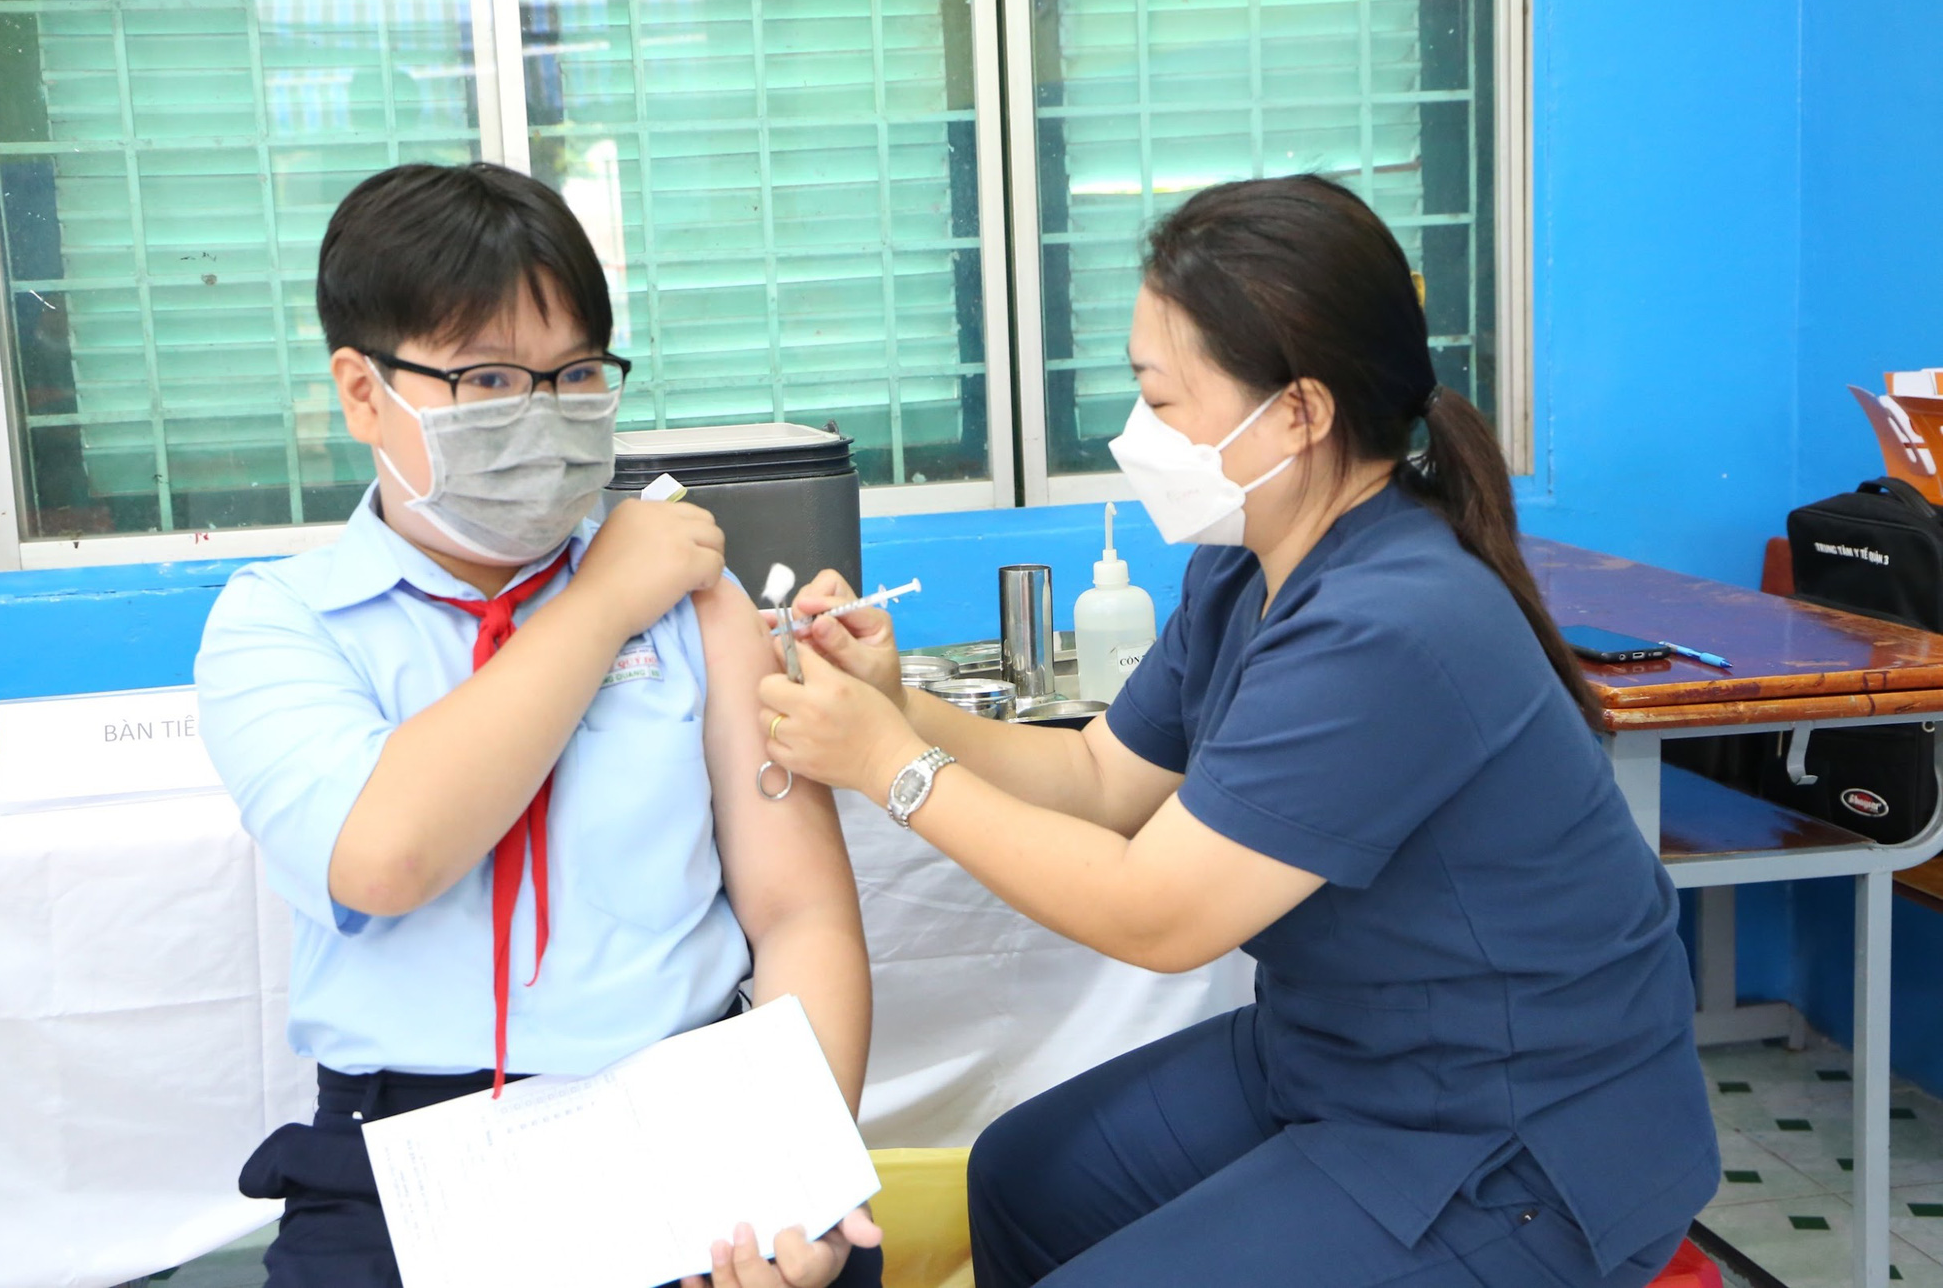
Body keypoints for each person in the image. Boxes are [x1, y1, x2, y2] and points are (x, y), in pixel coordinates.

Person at [756, 175, 1719, 1287]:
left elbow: (1152, 912)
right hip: (1334, 1055)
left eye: (1161, 402)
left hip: (1511, 1141)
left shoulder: (1390, 621)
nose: (1136, 433)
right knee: (1018, 1174)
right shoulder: (1243, 561)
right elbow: (1097, 772)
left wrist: (890, 766)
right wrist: (896, 702)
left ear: (1298, 412)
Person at [195, 162, 882, 1288]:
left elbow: (801, 908)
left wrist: (794, 1174)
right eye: (492, 378)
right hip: (406, 1155)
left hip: (688, 1119)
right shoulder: (281, 626)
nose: (546, 413)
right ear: (363, 392)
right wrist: (601, 600)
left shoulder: (698, 601)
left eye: (573, 375)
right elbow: (386, 854)